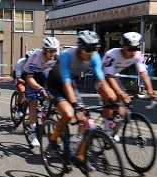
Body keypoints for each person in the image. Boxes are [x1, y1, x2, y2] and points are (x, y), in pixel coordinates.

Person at [46, 30, 115, 163]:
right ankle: (53, 140)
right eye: (88, 51)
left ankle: (77, 146)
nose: (91, 54)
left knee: (85, 117)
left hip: (70, 83)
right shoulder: (67, 55)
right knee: (68, 114)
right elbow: (65, 84)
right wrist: (75, 105)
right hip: (55, 85)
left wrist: (111, 100)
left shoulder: (94, 56)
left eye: (94, 51)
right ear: (80, 48)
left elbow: (102, 81)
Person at [102, 32, 157, 141]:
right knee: (112, 98)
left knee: (123, 107)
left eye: (136, 48)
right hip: (102, 77)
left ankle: (114, 123)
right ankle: (106, 129)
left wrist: (150, 91)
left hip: (114, 76)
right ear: (123, 47)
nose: (133, 51)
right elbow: (109, 77)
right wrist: (121, 93)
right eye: (130, 49)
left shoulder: (138, 55)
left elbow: (143, 73)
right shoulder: (111, 55)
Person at [23, 37, 60, 147]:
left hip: (43, 74)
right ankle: (33, 133)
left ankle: (43, 113)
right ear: (44, 50)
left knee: (52, 97)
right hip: (30, 76)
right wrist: (40, 89)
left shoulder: (56, 57)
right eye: (51, 51)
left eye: (55, 51)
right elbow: (29, 78)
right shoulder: (35, 57)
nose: (53, 54)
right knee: (33, 101)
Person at [14, 50, 34, 117]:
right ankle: (19, 109)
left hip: (27, 75)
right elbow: (18, 79)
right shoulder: (20, 63)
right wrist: (27, 83)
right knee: (22, 89)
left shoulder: (34, 63)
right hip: (20, 76)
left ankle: (27, 104)